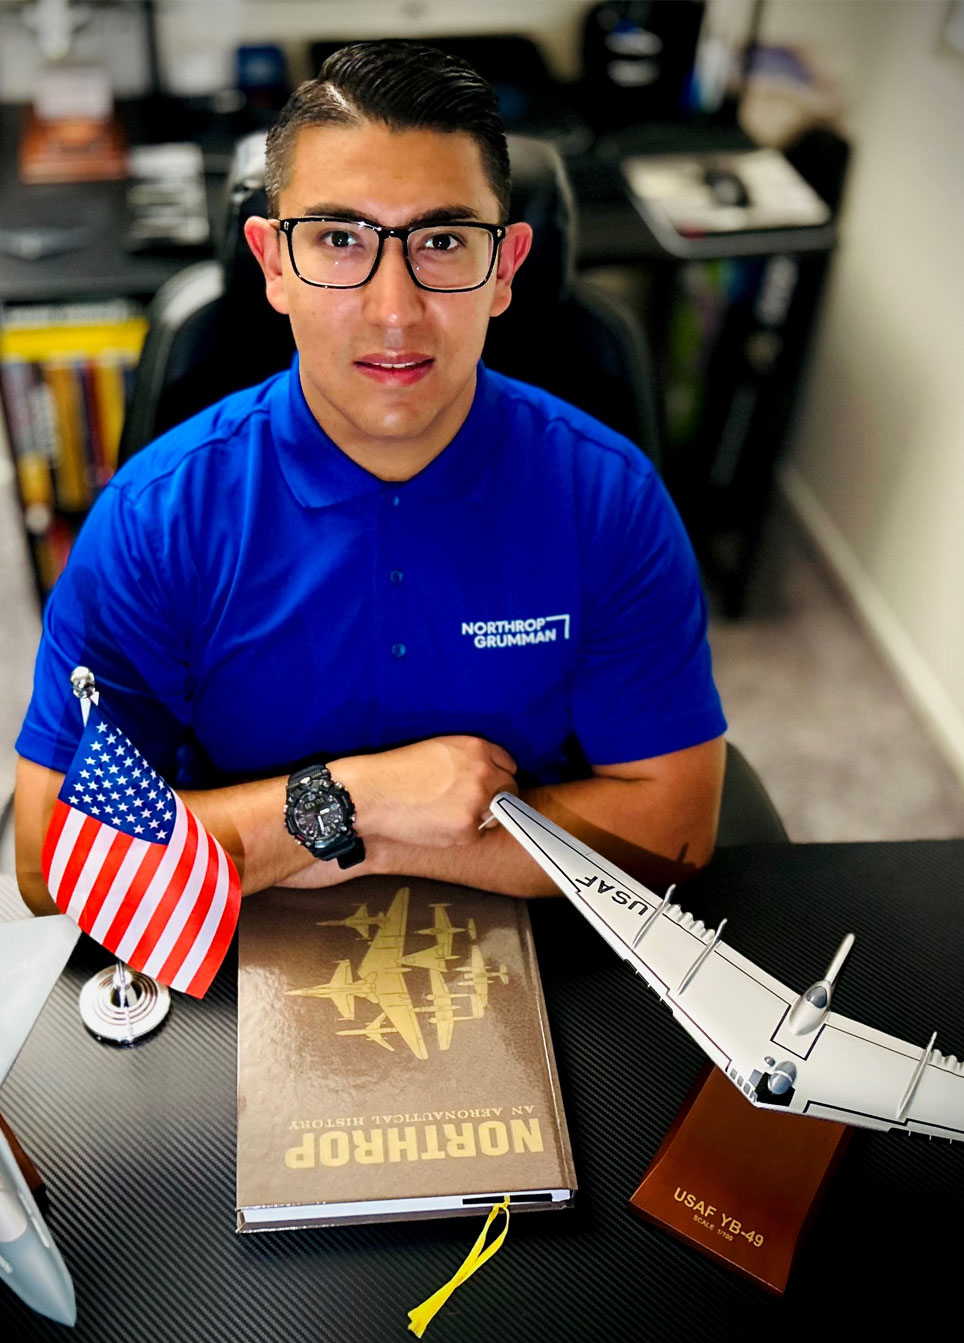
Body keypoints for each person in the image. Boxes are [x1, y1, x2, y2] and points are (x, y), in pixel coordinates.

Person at [14, 40, 726, 916]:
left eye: (443, 240)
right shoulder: (154, 520)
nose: (395, 311)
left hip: (537, 941)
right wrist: (361, 799)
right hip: (230, 956)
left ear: (505, 269)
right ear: (273, 264)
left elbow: (676, 827)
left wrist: (350, 841)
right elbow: (52, 859)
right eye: (341, 238)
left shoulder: (611, 501)